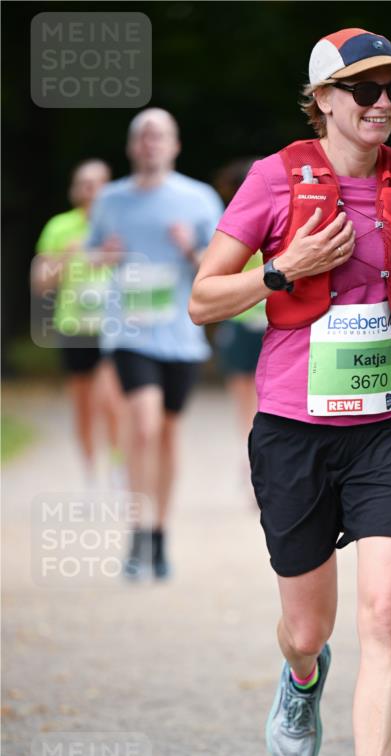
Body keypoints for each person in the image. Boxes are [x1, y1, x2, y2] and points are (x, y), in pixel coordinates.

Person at [190, 28, 391, 756]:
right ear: (321, 100)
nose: (383, 103)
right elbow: (204, 299)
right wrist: (283, 268)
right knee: (307, 628)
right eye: (364, 89)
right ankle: (302, 675)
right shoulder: (273, 180)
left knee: (386, 612)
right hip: (295, 433)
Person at [86, 109, 223, 579]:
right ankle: (137, 533)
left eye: (159, 135)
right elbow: (91, 255)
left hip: (181, 334)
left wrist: (190, 249)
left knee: (166, 433)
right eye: (143, 136)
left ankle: (160, 535)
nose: (150, 143)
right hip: (129, 332)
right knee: (142, 426)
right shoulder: (110, 199)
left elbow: (222, 263)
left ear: (175, 145)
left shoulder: (198, 198)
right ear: (131, 146)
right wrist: (102, 256)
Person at [32, 159, 126, 487]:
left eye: (96, 182)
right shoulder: (59, 227)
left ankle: (117, 468)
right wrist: (67, 256)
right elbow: (40, 283)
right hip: (74, 327)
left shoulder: (119, 224)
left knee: (110, 400)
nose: (90, 189)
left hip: (112, 327)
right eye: (83, 183)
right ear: (75, 188)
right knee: (83, 406)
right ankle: (90, 475)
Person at [212, 158, 265, 489]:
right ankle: (248, 465)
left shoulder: (283, 217)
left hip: (274, 324)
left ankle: (261, 463)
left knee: (267, 399)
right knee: (245, 401)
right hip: (240, 323)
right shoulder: (228, 225)